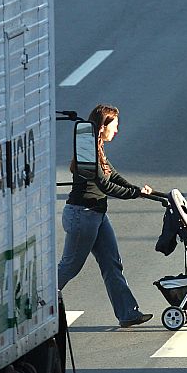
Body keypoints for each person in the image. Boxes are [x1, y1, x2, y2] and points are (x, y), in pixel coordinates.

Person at [57, 104, 155, 328]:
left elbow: (114, 175)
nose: (117, 131)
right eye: (115, 126)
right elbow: (104, 185)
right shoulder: (87, 147)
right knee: (70, 266)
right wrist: (134, 194)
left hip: (96, 215)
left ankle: (128, 313)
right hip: (82, 215)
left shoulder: (96, 146)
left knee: (112, 264)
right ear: (102, 127)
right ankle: (36, 304)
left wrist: (136, 189)